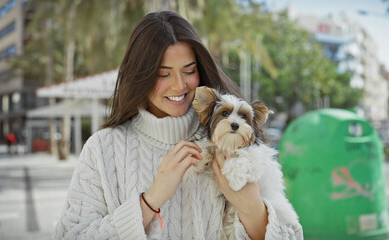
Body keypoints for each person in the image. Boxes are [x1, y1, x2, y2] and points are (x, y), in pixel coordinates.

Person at [54, 11, 302, 239]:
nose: (180, 86)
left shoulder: (237, 146)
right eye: (163, 74)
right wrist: (151, 200)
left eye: (189, 70)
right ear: (140, 74)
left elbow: (292, 234)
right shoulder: (102, 148)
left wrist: (250, 207)